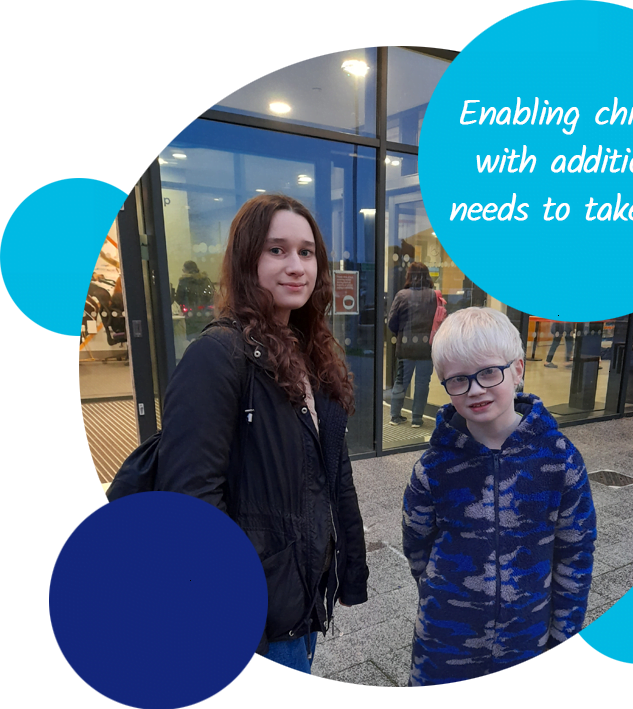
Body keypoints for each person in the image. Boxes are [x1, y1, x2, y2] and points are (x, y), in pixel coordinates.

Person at [154, 193, 369, 675]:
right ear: (246, 259)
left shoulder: (310, 353)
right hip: (259, 615)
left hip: (303, 598)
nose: (296, 266)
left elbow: (336, 477)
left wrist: (349, 569)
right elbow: (191, 500)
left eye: (307, 252)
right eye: (277, 250)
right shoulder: (218, 355)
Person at [402, 307, 596, 693]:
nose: (475, 389)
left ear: (518, 369)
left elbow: (576, 553)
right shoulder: (433, 467)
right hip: (444, 646)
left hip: (527, 646)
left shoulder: (559, 459)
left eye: (489, 372)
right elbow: (417, 548)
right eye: (457, 380)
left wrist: (565, 637)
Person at [388, 262, 438, 428]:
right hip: (427, 348)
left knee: (401, 381)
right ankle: (417, 418)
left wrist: (400, 333)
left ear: (409, 275)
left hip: (406, 347)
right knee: (423, 383)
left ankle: (395, 416)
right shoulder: (434, 295)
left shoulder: (402, 295)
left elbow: (392, 322)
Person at [175, 260, 215, 340]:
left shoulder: (184, 281)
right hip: (206, 316)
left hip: (191, 316)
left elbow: (179, 298)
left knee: (193, 340)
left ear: (186, 270)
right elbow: (212, 295)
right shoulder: (206, 280)